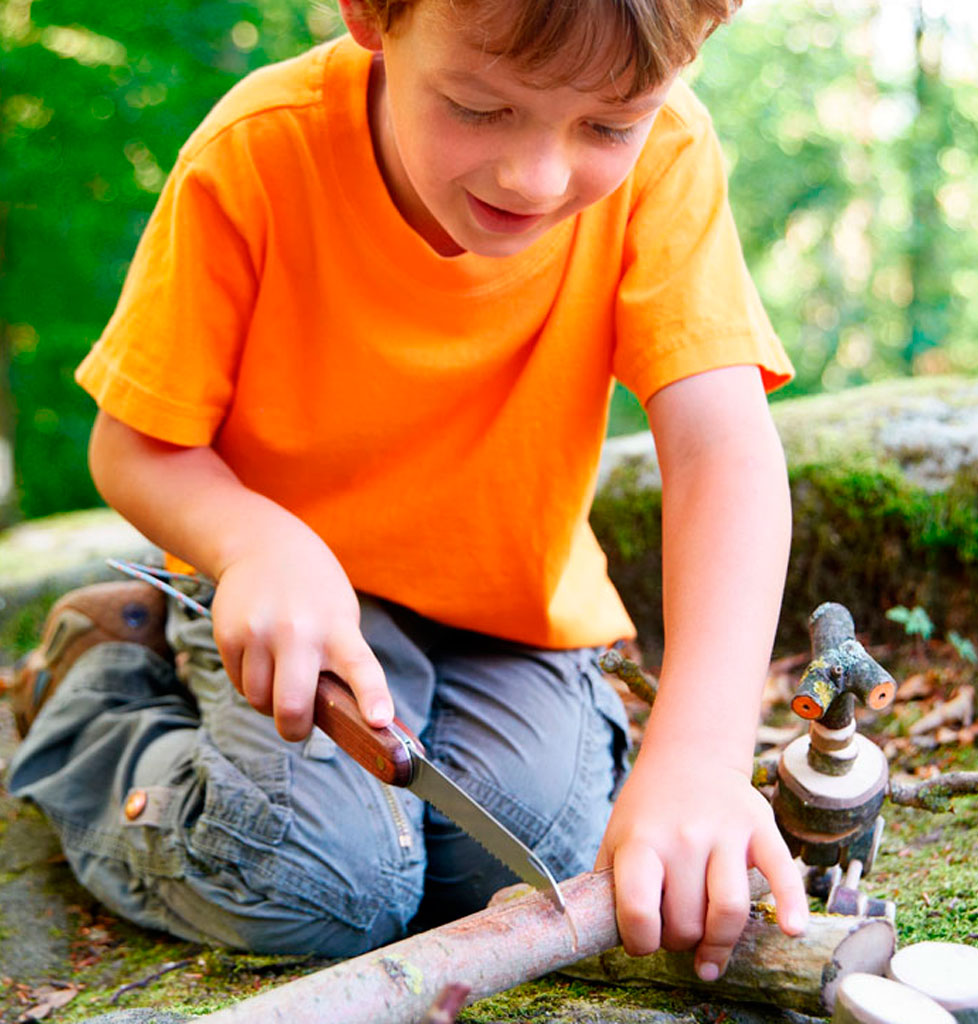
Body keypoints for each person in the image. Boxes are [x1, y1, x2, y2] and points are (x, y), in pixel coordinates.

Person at [6, 0, 809, 983]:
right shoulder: (260, 152)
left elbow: (722, 449)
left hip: (511, 620)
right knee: (317, 884)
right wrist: (257, 545)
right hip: (296, 604)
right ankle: (98, 696)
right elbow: (132, 447)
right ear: (373, 15)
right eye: (478, 107)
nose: (537, 175)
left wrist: (701, 757)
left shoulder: (668, 160)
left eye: (606, 126)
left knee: (539, 859)